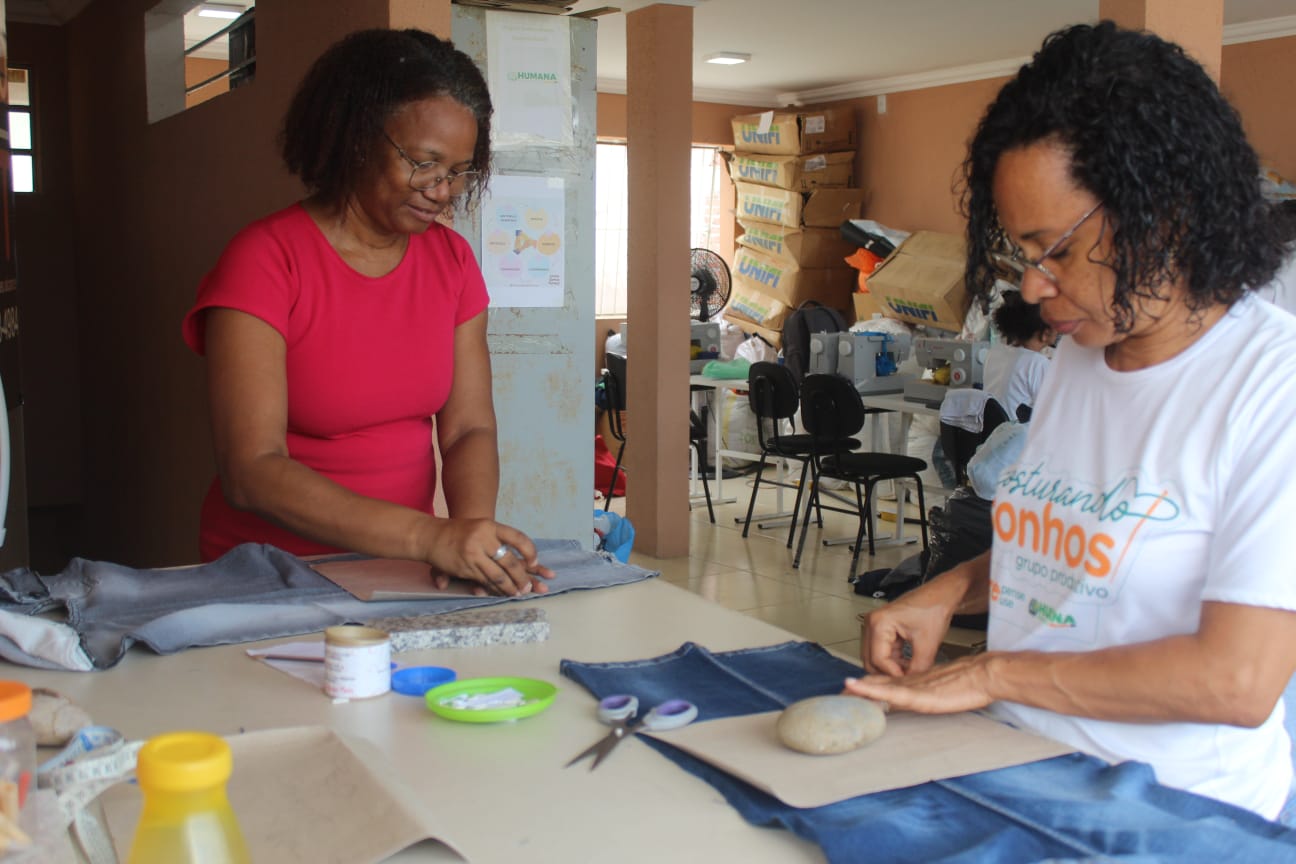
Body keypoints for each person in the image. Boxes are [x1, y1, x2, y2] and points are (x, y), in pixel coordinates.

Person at [846, 21, 1296, 822]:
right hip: (1021, 767)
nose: (1031, 286)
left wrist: (987, 675)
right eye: (1021, 255)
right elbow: (1075, 548)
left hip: (1174, 815)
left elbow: (1237, 681)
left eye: (1052, 250)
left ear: (1166, 212)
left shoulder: (1272, 387)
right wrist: (947, 591)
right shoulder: (1086, 353)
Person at [182, 29, 553, 597]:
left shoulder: (451, 261)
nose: (442, 189)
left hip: (398, 573)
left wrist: (468, 538)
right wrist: (431, 538)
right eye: (424, 162)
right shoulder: (264, 260)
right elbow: (251, 469)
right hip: (265, 577)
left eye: (459, 170)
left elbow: (468, 428)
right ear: (355, 136)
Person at [981, 289, 1054, 422]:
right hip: (1017, 437)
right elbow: (1052, 413)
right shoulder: (1038, 363)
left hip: (992, 436)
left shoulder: (995, 352)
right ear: (1045, 333)